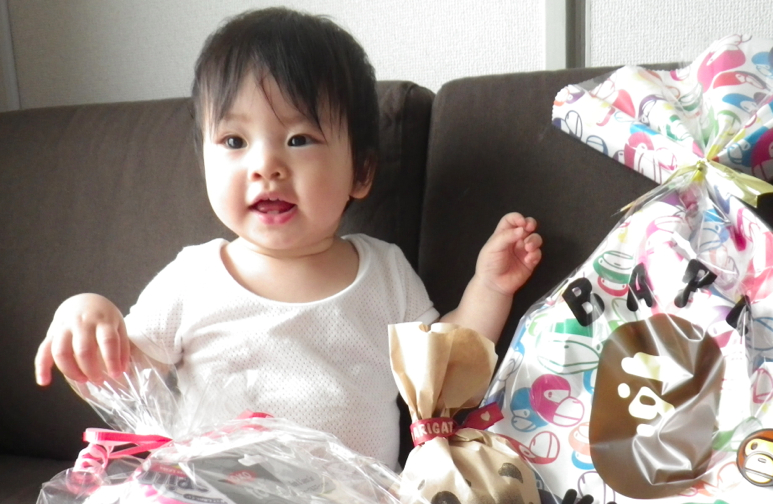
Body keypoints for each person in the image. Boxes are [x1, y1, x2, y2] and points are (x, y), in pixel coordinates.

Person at [32, 7, 542, 469]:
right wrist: (86, 316)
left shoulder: (384, 272)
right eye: (234, 140)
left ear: (361, 171)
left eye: (299, 139)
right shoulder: (193, 278)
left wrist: (489, 288)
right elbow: (122, 384)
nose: (265, 165)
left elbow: (444, 374)